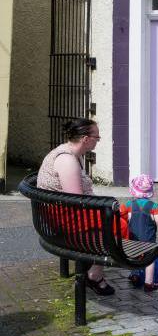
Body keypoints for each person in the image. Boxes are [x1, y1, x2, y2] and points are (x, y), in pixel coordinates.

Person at [37, 118, 115, 296]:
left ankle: (99, 268)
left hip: (63, 213)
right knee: (120, 222)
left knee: (124, 214)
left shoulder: (73, 155)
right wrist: (105, 207)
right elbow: (77, 201)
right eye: (97, 137)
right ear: (86, 139)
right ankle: (96, 274)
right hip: (65, 219)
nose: (98, 140)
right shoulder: (67, 160)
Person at [121, 175, 158, 292]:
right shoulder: (153, 206)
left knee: (134, 257)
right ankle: (148, 283)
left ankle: (135, 275)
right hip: (149, 242)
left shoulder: (129, 205)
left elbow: (119, 216)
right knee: (150, 260)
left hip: (133, 240)